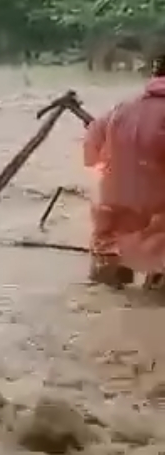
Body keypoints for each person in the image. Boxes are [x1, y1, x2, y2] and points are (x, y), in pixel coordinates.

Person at [84, 52, 165, 289]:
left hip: (113, 219)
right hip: (158, 225)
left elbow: (90, 156)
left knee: (104, 294)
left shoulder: (121, 109)